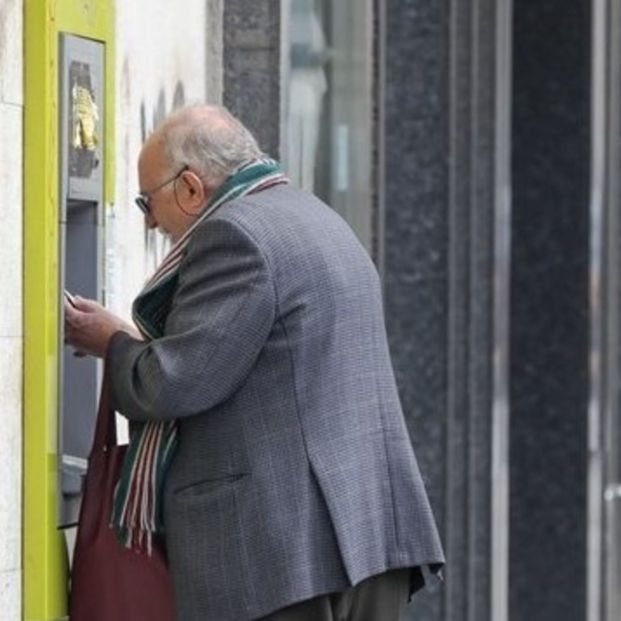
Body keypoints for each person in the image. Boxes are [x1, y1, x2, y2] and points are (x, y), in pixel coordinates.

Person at [64, 104, 445, 621]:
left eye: (146, 202)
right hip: (366, 537)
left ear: (191, 188)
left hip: (283, 555)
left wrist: (113, 343)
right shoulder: (315, 218)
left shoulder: (233, 237)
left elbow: (170, 385)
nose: (151, 221)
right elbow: (246, 360)